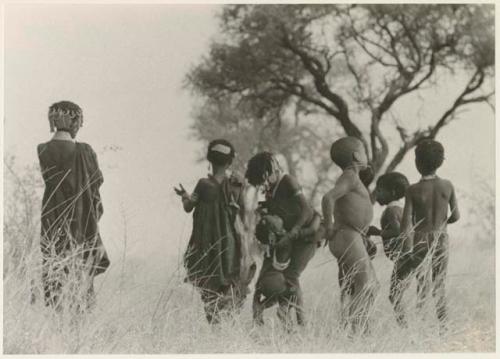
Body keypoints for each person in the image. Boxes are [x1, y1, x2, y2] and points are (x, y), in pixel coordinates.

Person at [37, 101, 110, 312]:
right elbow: (96, 187)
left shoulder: (43, 149)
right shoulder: (85, 151)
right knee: (81, 278)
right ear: (75, 121)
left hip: (51, 219)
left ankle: (57, 326)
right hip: (81, 221)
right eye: (79, 120)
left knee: (54, 272)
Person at [174, 139, 255, 325]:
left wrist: (184, 196)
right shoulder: (236, 187)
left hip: (207, 245)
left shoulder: (203, 184)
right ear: (229, 162)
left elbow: (188, 207)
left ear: (210, 160)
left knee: (209, 286)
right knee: (230, 284)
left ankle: (214, 326)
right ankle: (229, 325)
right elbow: (244, 215)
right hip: (230, 246)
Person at [246, 152, 319, 327]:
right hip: (288, 237)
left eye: (263, 180)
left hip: (306, 236)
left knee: (291, 276)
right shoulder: (271, 189)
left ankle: (302, 323)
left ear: (268, 171)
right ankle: (284, 314)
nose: (263, 185)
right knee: (277, 279)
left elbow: (307, 211)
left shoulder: (288, 181)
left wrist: (292, 233)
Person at [322, 137, 379, 333]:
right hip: (347, 236)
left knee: (369, 284)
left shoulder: (351, 177)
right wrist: (328, 227)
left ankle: (355, 327)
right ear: (356, 156)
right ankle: (359, 332)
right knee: (364, 284)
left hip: (352, 236)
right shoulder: (351, 176)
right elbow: (328, 198)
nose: (366, 155)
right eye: (364, 151)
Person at [401, 139, 460, 329]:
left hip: (420, 239)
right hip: (441, 238)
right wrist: (443, 224)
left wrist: (407, 249)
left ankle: (420, 323)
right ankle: (443, 326)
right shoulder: (447, 186)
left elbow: (406, 224)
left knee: (422, 283)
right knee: (439, 284)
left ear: (417, 162)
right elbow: (456, 215)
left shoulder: (412, 190)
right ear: (441, 161)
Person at [367, 172, 411, 326]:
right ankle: (406, 326)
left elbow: (398, 231)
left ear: (391, 192)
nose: (376, 194)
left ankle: (405, 327)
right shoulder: (401, 208)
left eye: (379, 190)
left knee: (394, 295)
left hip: (403, 258)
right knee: (397, 294)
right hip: (405, 257)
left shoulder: (392, 211)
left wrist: (376, 232)